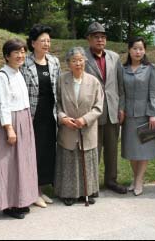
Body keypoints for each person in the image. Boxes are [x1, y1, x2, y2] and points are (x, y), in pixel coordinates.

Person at [0, 38, 38, 219]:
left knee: (23, 162)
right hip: (10, 122)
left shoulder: (18, 73)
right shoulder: (1, 77)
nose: (20, 56)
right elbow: (2, 104)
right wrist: (9, 129)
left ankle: (21, 199)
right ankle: (8, 204)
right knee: (9, 164)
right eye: (16, 52)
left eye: (23, 52)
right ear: (6, 56)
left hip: (24, 119)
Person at [55, 47, 103, 206]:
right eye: (74, 60)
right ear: (68, 63)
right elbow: (57, 104)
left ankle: (87, 192)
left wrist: (85, 119)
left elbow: (98, 107)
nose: (78, 63)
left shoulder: (93, 81)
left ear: (85, 61)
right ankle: (68, 193)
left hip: (87, 128)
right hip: (68, 128)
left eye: (80, 60)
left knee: (87, 162)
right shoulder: (61, 80)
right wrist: (63, 118)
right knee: (69, 162)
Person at [84, 22, 127, 194]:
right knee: (94, 150)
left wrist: (121, 108)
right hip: (92, 111)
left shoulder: (114, 57)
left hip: (112, 110)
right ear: (89, 39)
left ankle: (111, 181)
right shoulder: (83, 57)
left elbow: (120, 85)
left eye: (103, 37)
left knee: (111, 149)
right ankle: (92, 185)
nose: (100, 40)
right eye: (96, 37)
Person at [20, 24, 61, 208]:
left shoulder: (54, 61)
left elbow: (57, 88)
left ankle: (41, 189)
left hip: (50, 115)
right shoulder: (24, 63)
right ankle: (33, 191)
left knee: (46, 152)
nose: (46, 44)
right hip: (32, 115)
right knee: (33, 153)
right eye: (42, 40)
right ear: (33, 43)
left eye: (48, 41)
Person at [118, 37, 155, 196]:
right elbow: (121, 92)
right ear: (129, 50)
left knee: (143, 149)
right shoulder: (123, 69)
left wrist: (153, 114)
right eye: (135, 48)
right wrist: (121, 109)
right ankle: (135, 178)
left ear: (145, 50)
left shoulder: (151, 69)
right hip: (128, 115)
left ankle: (139, 180)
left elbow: (154, 93)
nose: (138, 52)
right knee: (131, 149)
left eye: (141, 49)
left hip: (145, 115)